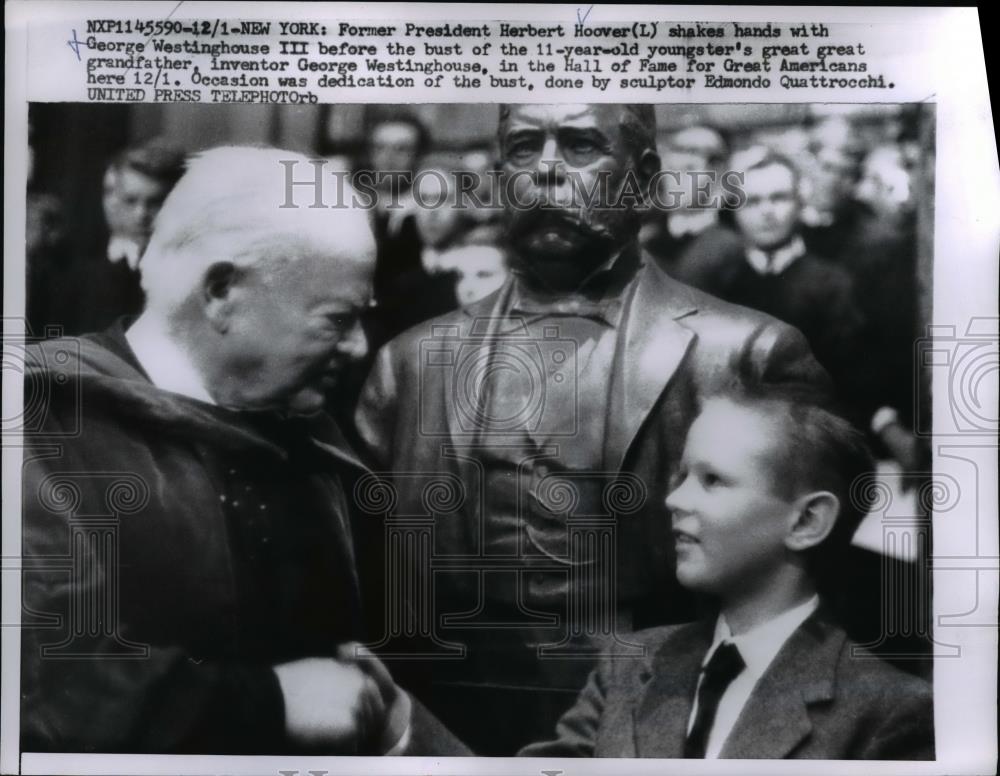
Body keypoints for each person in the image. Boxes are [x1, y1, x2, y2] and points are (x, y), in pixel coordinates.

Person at [354, 103, 831, 753]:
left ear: (645, 176)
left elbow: (800, 588)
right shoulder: (406, 366)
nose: (547, 170)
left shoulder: (748, 355)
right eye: (524, 149)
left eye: (581, 146)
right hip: (446, 709)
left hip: (659, 708)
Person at [20, 146, 461, 755]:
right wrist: (268, 703)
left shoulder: (306, 437)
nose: (361, 347)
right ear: (222, 290)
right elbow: (36, 677)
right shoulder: (42, 424)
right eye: (338, 318)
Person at [519, 381, 934, 759]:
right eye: (682, 476)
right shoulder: (626, 668)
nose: (674, 500)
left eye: (712, 480)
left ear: (806, 521)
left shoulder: (886, 713)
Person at [714, 147, 868, 426]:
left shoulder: (834, 285)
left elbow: (852, 387)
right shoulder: (721, 285)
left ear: (800, 202)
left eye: (779, 198)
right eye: (752, 201)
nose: (767, 212)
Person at [641, 125, 745, 293]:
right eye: (671, 168)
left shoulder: (738, 243)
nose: (674, 179)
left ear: (717, 175)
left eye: (688, 169)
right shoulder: (645, 240)